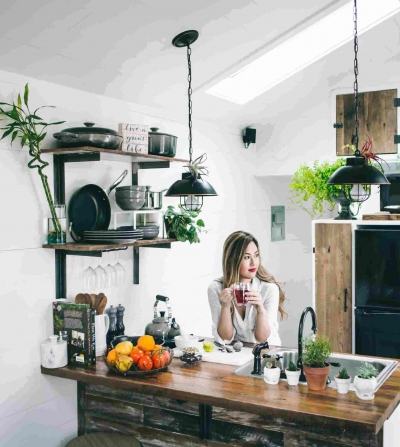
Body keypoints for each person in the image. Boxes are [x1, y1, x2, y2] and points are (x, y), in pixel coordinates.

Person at [208, 231, 286, 346]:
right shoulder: (216, 288)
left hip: (268, 354)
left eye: (256, 255)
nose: (254, 263)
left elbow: (262, 339)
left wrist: (260, 309)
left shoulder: (269, 289)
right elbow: (225, 339)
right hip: (239, 355)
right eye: (247, 257)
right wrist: (225, 307)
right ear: (233, 260)